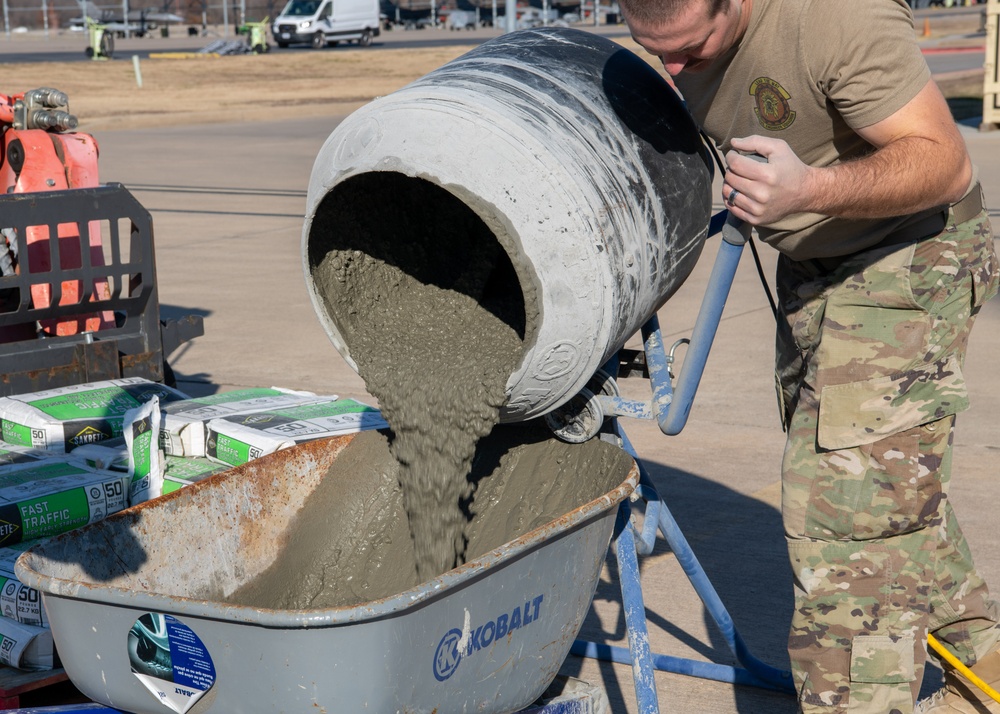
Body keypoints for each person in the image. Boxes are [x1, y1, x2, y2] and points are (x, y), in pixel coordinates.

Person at [616, 0, 1000, 712]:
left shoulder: (835, 16)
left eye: (692, 53)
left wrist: (810, 188)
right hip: (812, 265)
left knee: (843, 522)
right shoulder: (678, 36)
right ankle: (986, 672)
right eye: (653, 51)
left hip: (909, 248)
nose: (674, 71)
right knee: (881, 492)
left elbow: (946, 164)